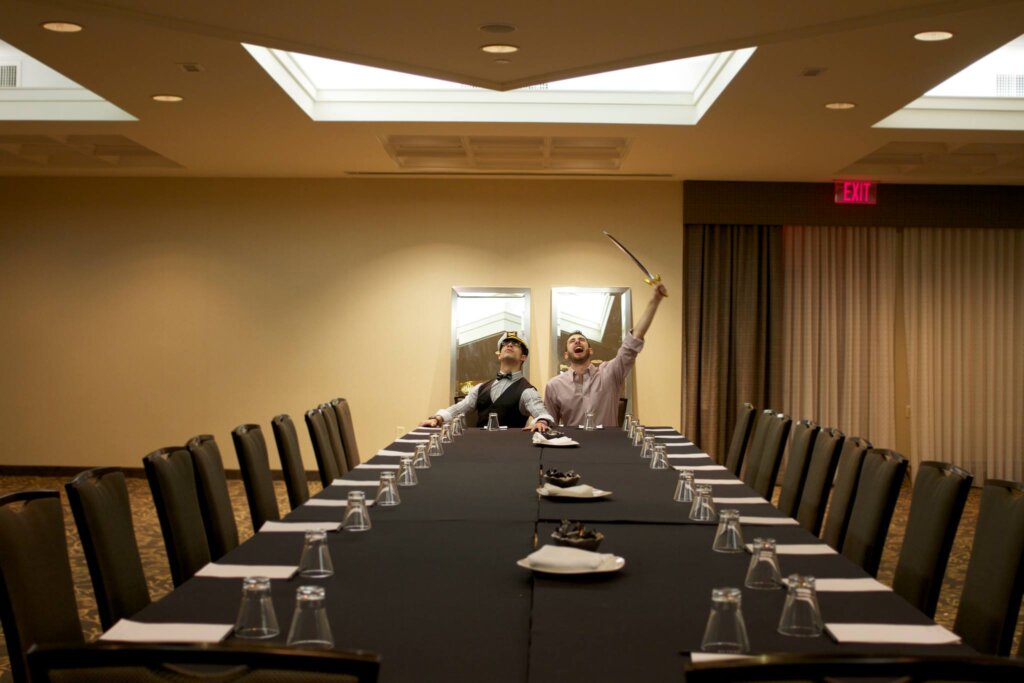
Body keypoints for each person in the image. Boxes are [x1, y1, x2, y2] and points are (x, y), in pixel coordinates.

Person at [545, 283, 668, 427]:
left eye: (582, 340)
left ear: (590, 350)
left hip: (609, 446)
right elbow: (549, 425)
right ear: (566, 354)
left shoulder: (610, 373)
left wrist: (655, 301)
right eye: (572, 341)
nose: (577, 341)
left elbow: (632, 343)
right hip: (571, 446)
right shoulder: (554, 385)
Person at [421, 332, 552, 432]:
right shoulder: (480, 388)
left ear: (524, 357)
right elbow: (460, 408)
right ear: (499, 355)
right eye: (505, 344)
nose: (510, 345)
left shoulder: (527, 391)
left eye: (516, 344)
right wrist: (437, 418)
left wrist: (542, 422)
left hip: (510, 452)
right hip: (478, 449)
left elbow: (541, 413)